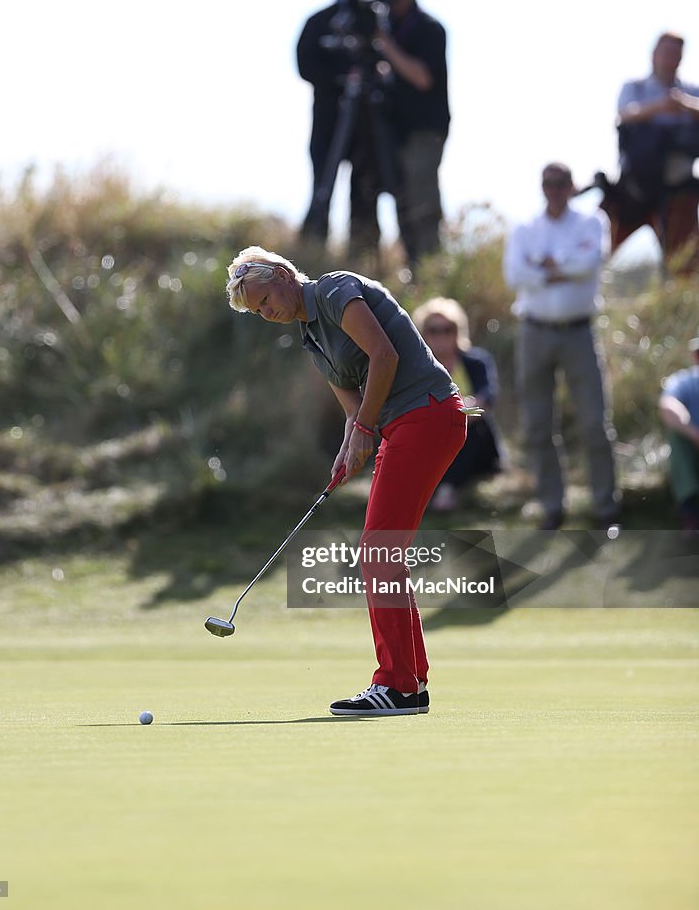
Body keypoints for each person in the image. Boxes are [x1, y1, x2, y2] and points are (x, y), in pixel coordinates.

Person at [226, 245, 468, 716]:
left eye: (264, 300)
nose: (267, 312)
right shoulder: (311, 339)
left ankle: (397, 684)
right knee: (383, 553)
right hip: (405, 425)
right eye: (257, 311)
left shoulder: (336, 291)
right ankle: (410, 683)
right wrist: (348, 446)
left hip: (427, 415)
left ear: (280, 274)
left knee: (378, 551)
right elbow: (354, 409)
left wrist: (363, 432)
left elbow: (384, 355)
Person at [503, 163, 620, 531]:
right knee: (538, 425)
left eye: (560, 183)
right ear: (542, 187)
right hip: (534, 333)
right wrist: (556, 269)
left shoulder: (590, 222)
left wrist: (544, 269)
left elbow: (589, 265)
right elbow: (514, 275)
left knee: (593, 424)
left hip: (578, 333)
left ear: (571, 187)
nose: (553, 189)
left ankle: (605, 507)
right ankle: (552, 506)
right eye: (548, 184)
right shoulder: (525, 228)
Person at [296, 0, 391, 257]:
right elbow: (305, 64)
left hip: (366, 122)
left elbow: (386, 60)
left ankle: (363, 259)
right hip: (328, 120)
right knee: (322, 186)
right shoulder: (321, 20)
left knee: (365, 193)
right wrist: (339, 76)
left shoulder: (377, 18)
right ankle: (310, 254)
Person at [374, 0, 450, 269]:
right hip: (395, 130)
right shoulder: (389, 27)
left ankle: (430, 269)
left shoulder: (430, 29)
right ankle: (411, 267)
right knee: (402, 202)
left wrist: (385, 45)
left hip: (424, 132)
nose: (394, 5)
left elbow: (421, 77)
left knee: (423, 203)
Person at [607, 32, 699, 264]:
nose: (670, 58)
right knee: (611, 256)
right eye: (665, 52)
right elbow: (625, 113)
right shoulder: (635, 88)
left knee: (684, 262)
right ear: (654, 55)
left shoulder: (691, 93)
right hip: (635, 188)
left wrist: (684, 104)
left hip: (680, 188)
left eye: (675, 54)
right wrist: (659, 107)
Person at [412, 297, 503, 511]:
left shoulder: (477, 361)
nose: (441, 335)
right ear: (423, 333)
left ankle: (447, 489)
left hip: (473, 440)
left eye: (448, 329)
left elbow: (488, 394)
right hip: (432, 441)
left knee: (472, 423)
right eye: (433, 330)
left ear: (458, 330)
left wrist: (464, 410)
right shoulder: (415, 369)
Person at [658, 337, 699, 537]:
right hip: (692, 447)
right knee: (678, 438)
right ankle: (690, 515)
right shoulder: (683, 381)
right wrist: (694, 434)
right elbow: (667, 407)